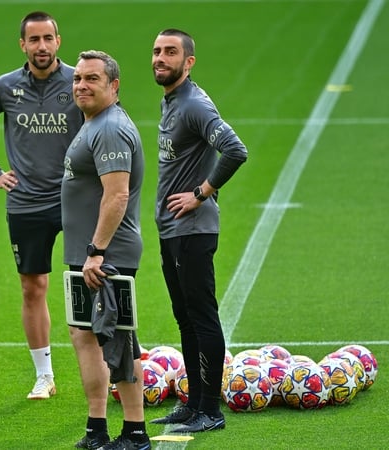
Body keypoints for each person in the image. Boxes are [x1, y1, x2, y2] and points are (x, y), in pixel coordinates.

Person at [0, 11, 83, 399]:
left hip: (75, 200)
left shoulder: (78, 82)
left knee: (92, 283)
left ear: (58, 41)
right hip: (27, 204)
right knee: (34, 287)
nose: (42, 47)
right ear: (23, 45)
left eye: (48, 38)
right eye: (34, 40)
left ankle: (108, 368)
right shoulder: (6, 87)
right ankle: (44, 375)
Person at [149, 29, 248, 433]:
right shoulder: (171, 101)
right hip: (173, 231)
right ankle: (194, 404)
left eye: (170, 52)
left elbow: (236, 150)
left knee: (202, 317)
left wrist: (201, 193)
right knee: (185, 319)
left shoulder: (193, 104)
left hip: (192, 230)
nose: (160, 58)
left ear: (188, 62)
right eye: (156, 51)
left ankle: (211, 409)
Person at [63, 50, 150, 450]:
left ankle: (135, 432)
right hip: (88, 254)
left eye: (92, 79)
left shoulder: (110, 128)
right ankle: (97, 428)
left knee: (118, 339)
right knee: (86, 336)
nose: (81, 85)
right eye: (78, 78)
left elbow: (117, 196)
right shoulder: (95, 123)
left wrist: (97, 251)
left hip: (105, 255)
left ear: (113, 86)